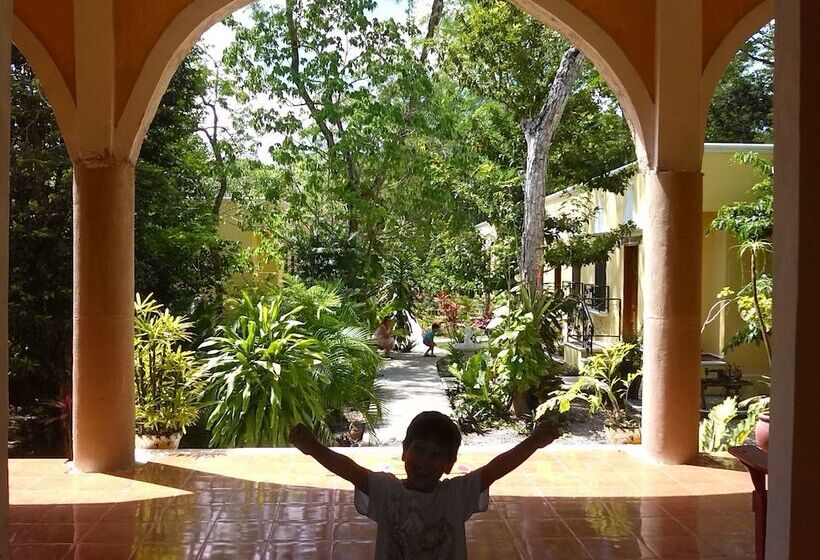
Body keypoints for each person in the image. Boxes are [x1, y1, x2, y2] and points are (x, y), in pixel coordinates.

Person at [289, 411, 560, 560]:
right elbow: (350, 470)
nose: (425, 461)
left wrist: (533, 442)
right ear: (404, 451)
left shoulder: (456, 495)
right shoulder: (386, 491)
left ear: (449, 464)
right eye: (419, 449)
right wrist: (313, 448)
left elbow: (495, 470)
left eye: (437, 454)